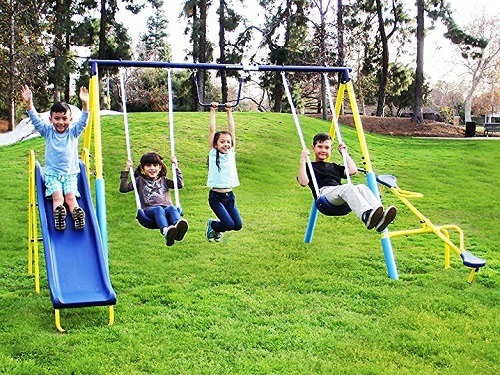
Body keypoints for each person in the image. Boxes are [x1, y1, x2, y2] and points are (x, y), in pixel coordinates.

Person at [21, 84, 89, 231]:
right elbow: (36, 120)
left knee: (70, 198)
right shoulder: (48, 132)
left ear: (70, 120)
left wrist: (85, 103)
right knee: (58, 197)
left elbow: (83, 122)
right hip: (52, 175)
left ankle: (77, 215)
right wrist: (28, 103)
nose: (60, 122)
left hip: (70, 174)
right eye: (57, 118)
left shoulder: (73, 132)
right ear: (51, 119)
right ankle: (59, 217)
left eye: (64, 118)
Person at [298, 132, 396, 232]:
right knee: (349, 187)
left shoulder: (334, 166)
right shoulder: (309, 166)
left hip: (340, 194)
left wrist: (344, 153)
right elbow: (303, 182)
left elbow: (353, 170)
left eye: (327, 148)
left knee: (361, 187)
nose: (323, 150)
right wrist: (303, 159)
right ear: (313, 147)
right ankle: (366, 215)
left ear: (331, 150)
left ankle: (381, 217)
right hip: (325, 195)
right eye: (320, 147)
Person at [119, 152, 188, 246]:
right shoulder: (139, 180)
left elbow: (179, 184)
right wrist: (126, 170)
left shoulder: (164, 180)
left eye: (155, 165)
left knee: (172, 208)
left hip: (167, 208)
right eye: (148, 166)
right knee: (158, 209)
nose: (152, 168)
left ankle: (178, 228)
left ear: (160, 168)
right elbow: (123, 189)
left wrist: (176, 166)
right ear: (142, 169)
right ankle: (166, 231)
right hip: (149, 210)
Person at [205, 103, 242, 242]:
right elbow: (211, 130)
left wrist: (229, 112)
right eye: (222, 142)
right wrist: (213, 111)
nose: (226, 144)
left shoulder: (231, 153)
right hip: (216, 197)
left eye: (228, 142)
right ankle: (213, 225)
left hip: (230, 196)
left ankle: (217, 228)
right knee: (228, 224)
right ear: (215, 144)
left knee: (237, 225)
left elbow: (232, 131)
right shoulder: (213, 153)